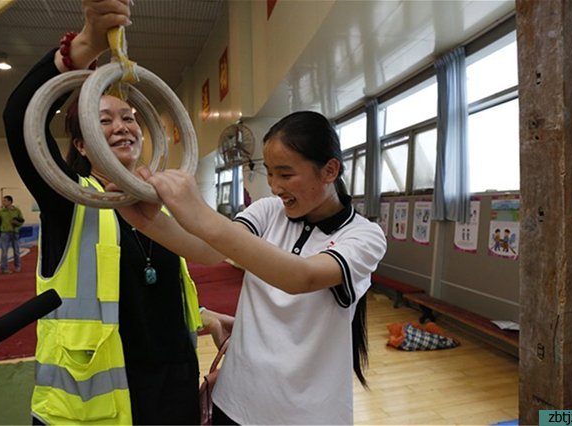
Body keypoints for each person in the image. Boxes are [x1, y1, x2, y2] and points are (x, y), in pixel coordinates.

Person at [2, 0, 232, 424]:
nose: (122, 125)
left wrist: (202, 316)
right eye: (103, 119)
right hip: (100, 404)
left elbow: (144, 292)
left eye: (129, 117)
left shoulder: (159, 201)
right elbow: (19, 117)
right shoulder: (70, 200)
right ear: (83, 144)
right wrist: (82, 47)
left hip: (173, 389)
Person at [118, 111, 388, 424]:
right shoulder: (269, 211)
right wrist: (146, 220)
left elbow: (302, 276)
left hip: (306, 413)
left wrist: (197, 212)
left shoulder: (364, 235)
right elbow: (209, 251)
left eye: (286, 175)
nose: (274, 186)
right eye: (270, 173)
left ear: (329, 171)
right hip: (235, 401)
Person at [0, 195, 24, 274]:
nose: (3, 202)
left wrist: (17, 227)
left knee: (16, 251)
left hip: (15, 232)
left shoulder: (17, 211)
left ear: (10, 202)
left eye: (5, 201)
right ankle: (4, 269)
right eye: (3, 201)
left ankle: (17, 266)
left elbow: (21, 221)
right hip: (5, 233)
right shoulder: (1, 212)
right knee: (4, 252)